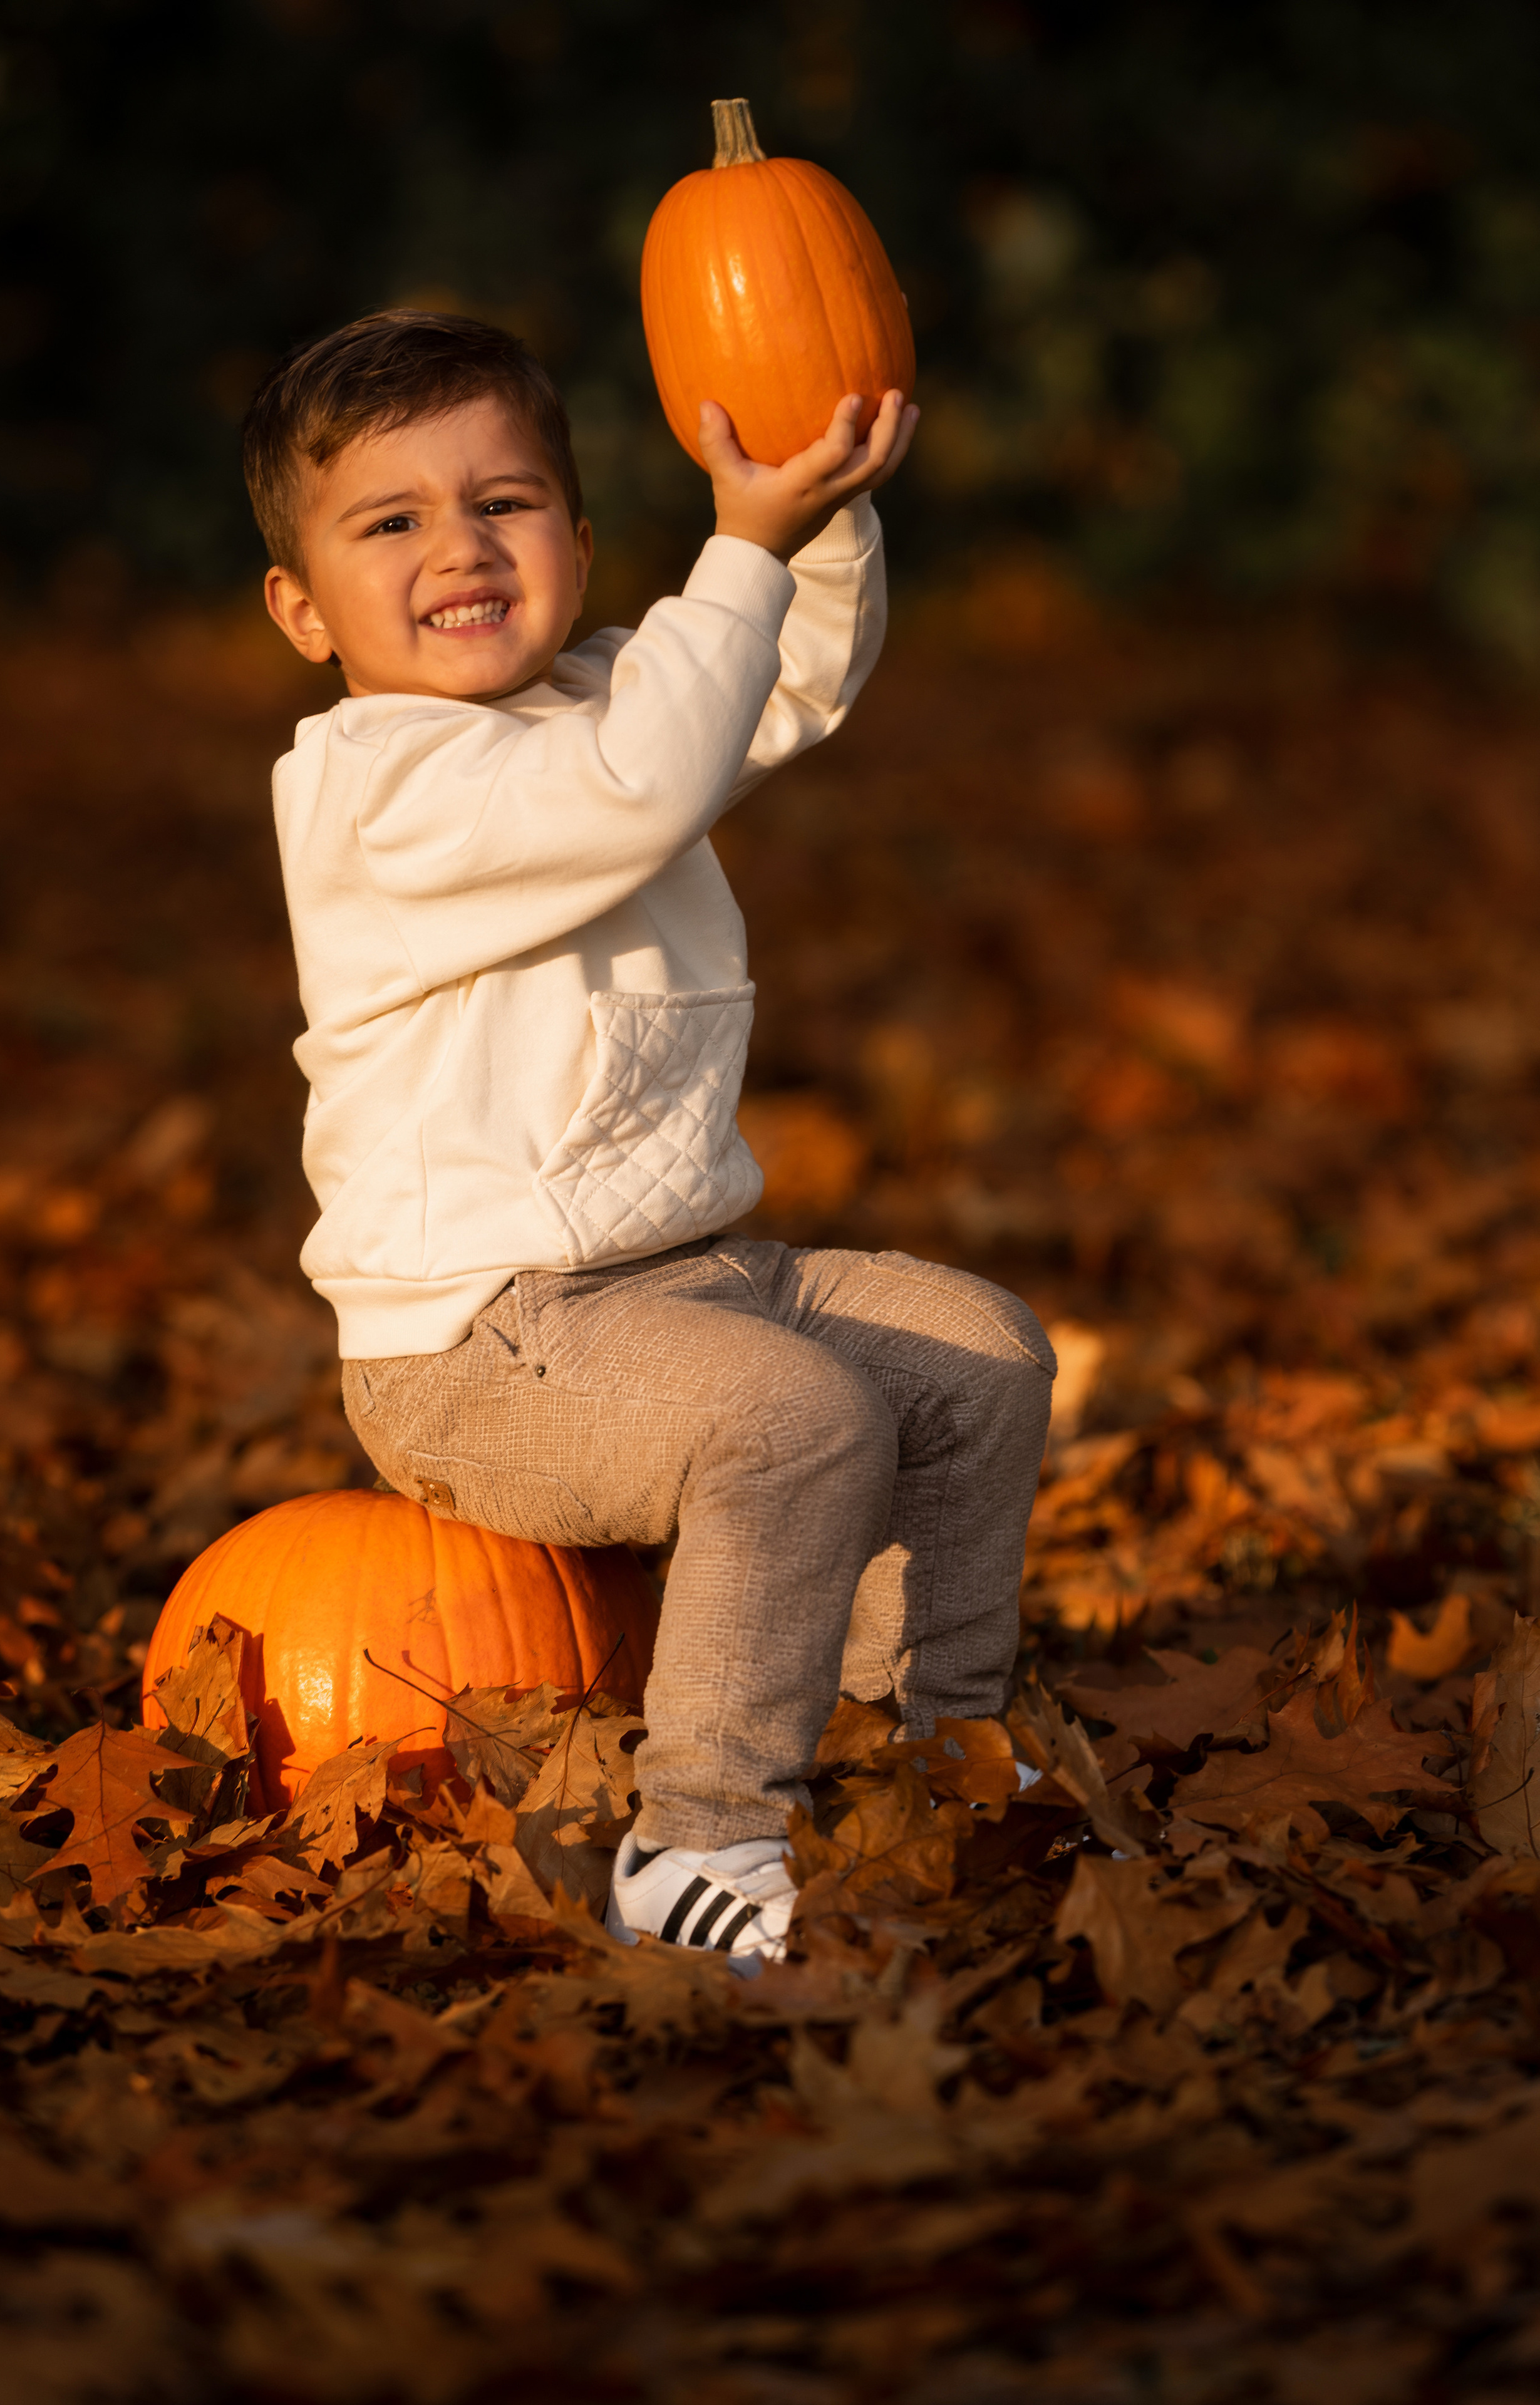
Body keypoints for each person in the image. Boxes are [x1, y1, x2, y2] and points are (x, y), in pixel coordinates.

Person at [244, 308, 1056, 1970]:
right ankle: (703, 1837)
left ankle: (935, 1755)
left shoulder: (615, 693)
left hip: (688, 1279)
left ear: (583, 539)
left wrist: (806, 511)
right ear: (301, 610)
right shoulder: (371, 787)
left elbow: (788, 679)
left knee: (978, 1352)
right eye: (391, 522)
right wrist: (736, 560)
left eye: (507, 502)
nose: (459, 549)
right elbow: (640, 786)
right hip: (479, 1345)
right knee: (795, 1422)